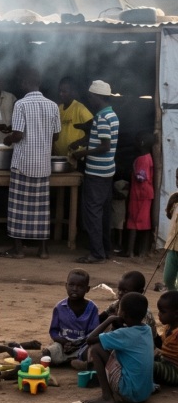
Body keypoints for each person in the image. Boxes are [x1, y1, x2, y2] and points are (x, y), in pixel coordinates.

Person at [0, 69, 60, 259]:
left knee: (19, 209)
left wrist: (7, 140)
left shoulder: (21, 104)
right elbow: (56, 135)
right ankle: (43, 250)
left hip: (23, 163)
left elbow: (18, 134)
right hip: (42, 164)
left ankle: (18, 249)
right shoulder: (53, 105)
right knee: (41, 209)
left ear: (26, 82)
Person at [70, 80, 120, 263]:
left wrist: (83, 153)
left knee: (93, 213)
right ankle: (106, 249)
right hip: (107, 171)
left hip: (97, 172)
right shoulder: (112, 115)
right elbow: (101, 140)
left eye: (90, 96)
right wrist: (82, 143)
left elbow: (105, 146)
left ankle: (96, 253)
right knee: (104, 213)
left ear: (97, 96)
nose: (89, 100)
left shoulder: (102, 117)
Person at [83, 292, 154, 403]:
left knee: (96, 349)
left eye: (119, 309)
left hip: (130, 392)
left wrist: (109, 319)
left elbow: (90, 340)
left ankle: (107, 397)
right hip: (145, 392)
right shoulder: (147, 329)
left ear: (123, 314)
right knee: (113, 349)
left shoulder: (123, 334)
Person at [42, 268, 99, 368]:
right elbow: (54, 331)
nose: (75, 289)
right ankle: (70, 362)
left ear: (87, 289)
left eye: (80, 286)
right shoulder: (59, 307)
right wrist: (64, 342)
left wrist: (78, 344)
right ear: (66, 285)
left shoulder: (93, 308)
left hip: (82, 345)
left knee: (91, 352)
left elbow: (93, 333)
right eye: (71, 285)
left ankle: (68, 362)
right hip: (63, 344)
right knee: (48, 352)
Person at [118, 132, 154, 257]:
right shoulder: (148, 157)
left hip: (139, 194)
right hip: (146, 193)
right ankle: (142, 251)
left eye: (137, 141)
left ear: (142, 143)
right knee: (144, 222)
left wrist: (130, 172)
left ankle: (130, 251)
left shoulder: (141, 159)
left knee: (133, 221)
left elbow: (141, 177)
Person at [98, 271, 159, 338]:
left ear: (140, 292)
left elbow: (137, 336)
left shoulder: (143, 313)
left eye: (125, 291)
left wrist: (118, 326)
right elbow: (101, 317)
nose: (120, 293)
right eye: (119, 289)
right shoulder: (118, 303)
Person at [54, 76, 92, 157]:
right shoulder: (58, 109)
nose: (61, 94)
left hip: (75, 156)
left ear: (73, 92)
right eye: (60, 91)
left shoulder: (80, 108)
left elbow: (93, 129)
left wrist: (79, 143)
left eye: (64, 91)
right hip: (59, 156)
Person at [154, 291, 178, 385]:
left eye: (162, 312)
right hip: (165, 362)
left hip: (175, 370)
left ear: (176, 314)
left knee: (149, 366)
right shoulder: (168, 327)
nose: (159, 315)